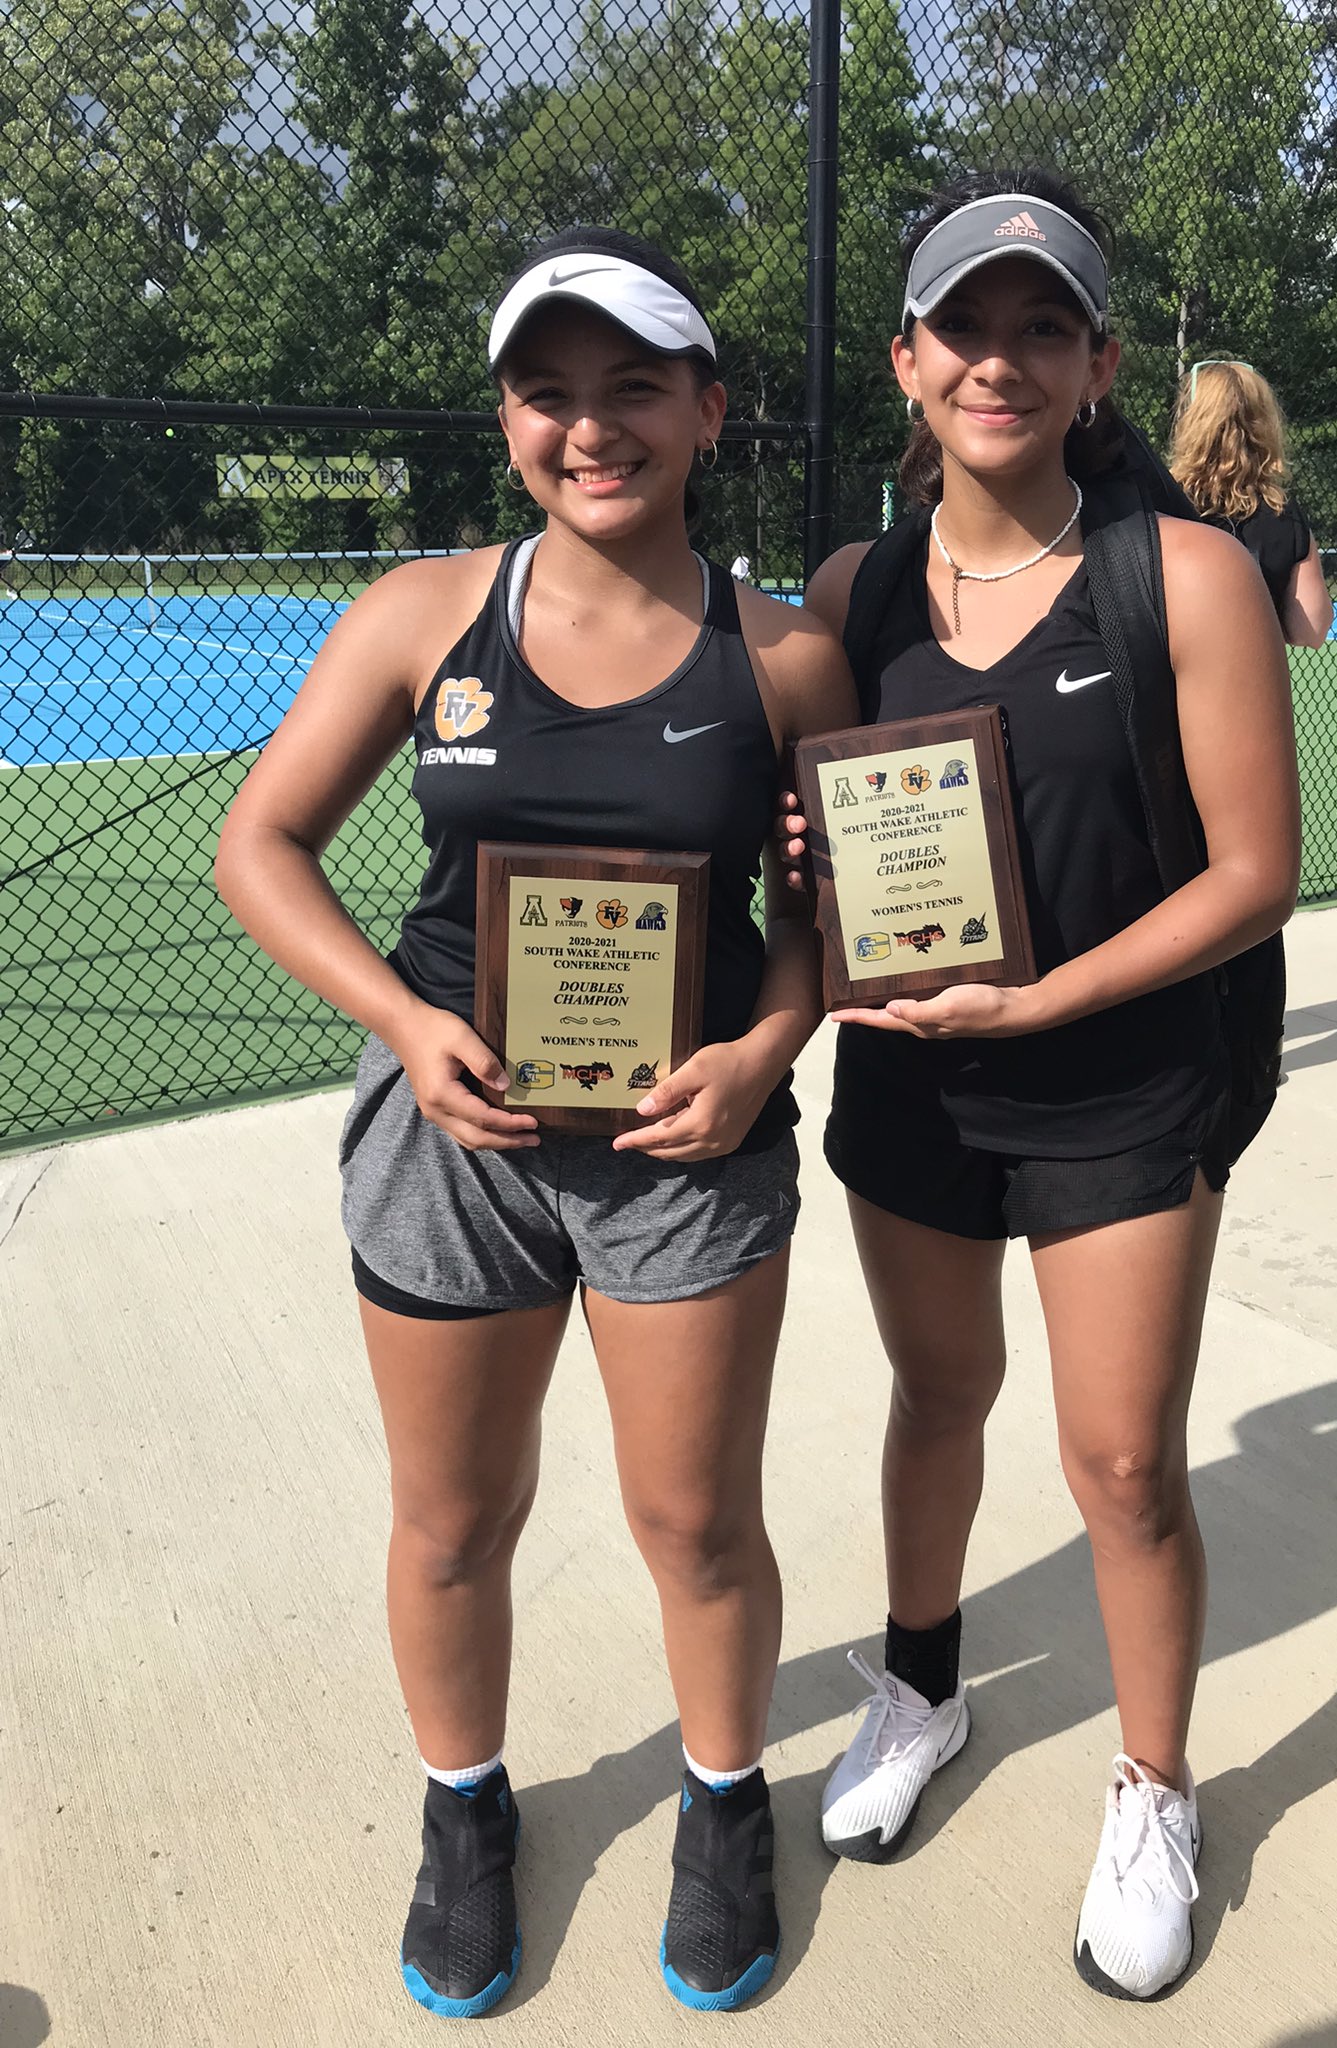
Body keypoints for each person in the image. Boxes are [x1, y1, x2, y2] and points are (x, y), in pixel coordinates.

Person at [215, 227, 856, 2017]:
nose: (590, 426)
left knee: (695, 1521)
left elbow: (827, 920)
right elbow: (258, 845)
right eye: (547, 391)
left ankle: (726, 1807)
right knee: (449, 1522)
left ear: (708, 409)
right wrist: (408, 1021)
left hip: (687, 1139)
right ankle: (463, 1806)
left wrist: (766, 1047)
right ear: (509, 417)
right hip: (457, 1143)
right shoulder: (423, 616)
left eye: (633, 386)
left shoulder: (786, 659)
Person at [780, 170, 1299, 1999]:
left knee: (1122, 1461)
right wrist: (798, 848)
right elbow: (801, 843)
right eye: (965, 327)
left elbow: (1255, 872)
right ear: (907, 357)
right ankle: (919, 1687)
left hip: (1122, 1088)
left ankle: (1155, 1786)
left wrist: (1050, 994)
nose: (1000, 360)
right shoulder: (849, 591)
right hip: (917, 1081)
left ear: (1097, 363)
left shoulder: (1188, 573)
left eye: (1043, 327)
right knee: (938, 1395)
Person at [1168, 357, 1333, 648]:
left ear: (1190, 421)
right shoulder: (1284, 515)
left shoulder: (1158, 500)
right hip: (1251, 683)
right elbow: (1311, 629)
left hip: (1167, 682)